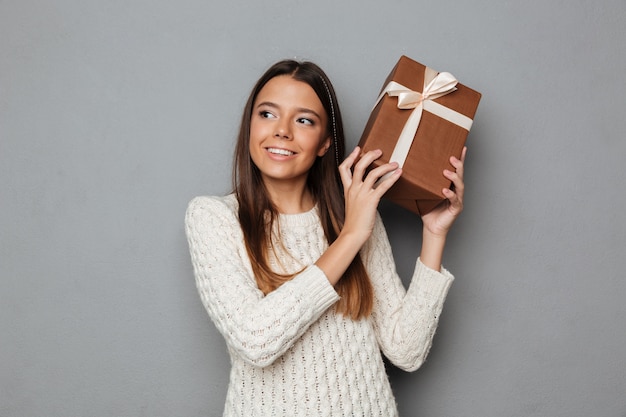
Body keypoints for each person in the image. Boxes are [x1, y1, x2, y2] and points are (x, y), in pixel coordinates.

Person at [185, 59, 466, 417]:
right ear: (249, 126)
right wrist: (350, 236)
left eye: (304, 120)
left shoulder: (358, 215)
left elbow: (405, 350)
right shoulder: (214, 217)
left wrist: (434, 234)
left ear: (324, 143)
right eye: (267, 114)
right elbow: (255, 340)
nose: (282, 131)